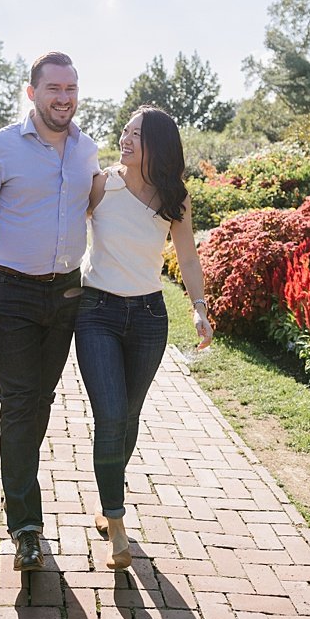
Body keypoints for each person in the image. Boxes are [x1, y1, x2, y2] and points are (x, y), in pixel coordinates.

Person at [0, 53, 102, 571]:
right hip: (11, 292)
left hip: (66, 293)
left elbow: (96, 209)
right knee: (20, 401)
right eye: (54, 88)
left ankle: (21, 486)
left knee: (41, 399)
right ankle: (27, 528)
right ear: (31, 92)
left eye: (72, 88)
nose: (64, 98)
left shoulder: (88, 152)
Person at [75, 106, 214, 570]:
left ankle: (107, 497)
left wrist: (199, 310)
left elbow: (189, 258)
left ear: (158, 144)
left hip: (150, 317)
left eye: (137, 134)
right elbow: (65, 224)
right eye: (125, 131)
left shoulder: (175, 196)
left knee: (128, 417)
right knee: (111, 414)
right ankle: (116, 524)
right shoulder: (102, 183)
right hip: (96, 312)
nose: (126, 139)